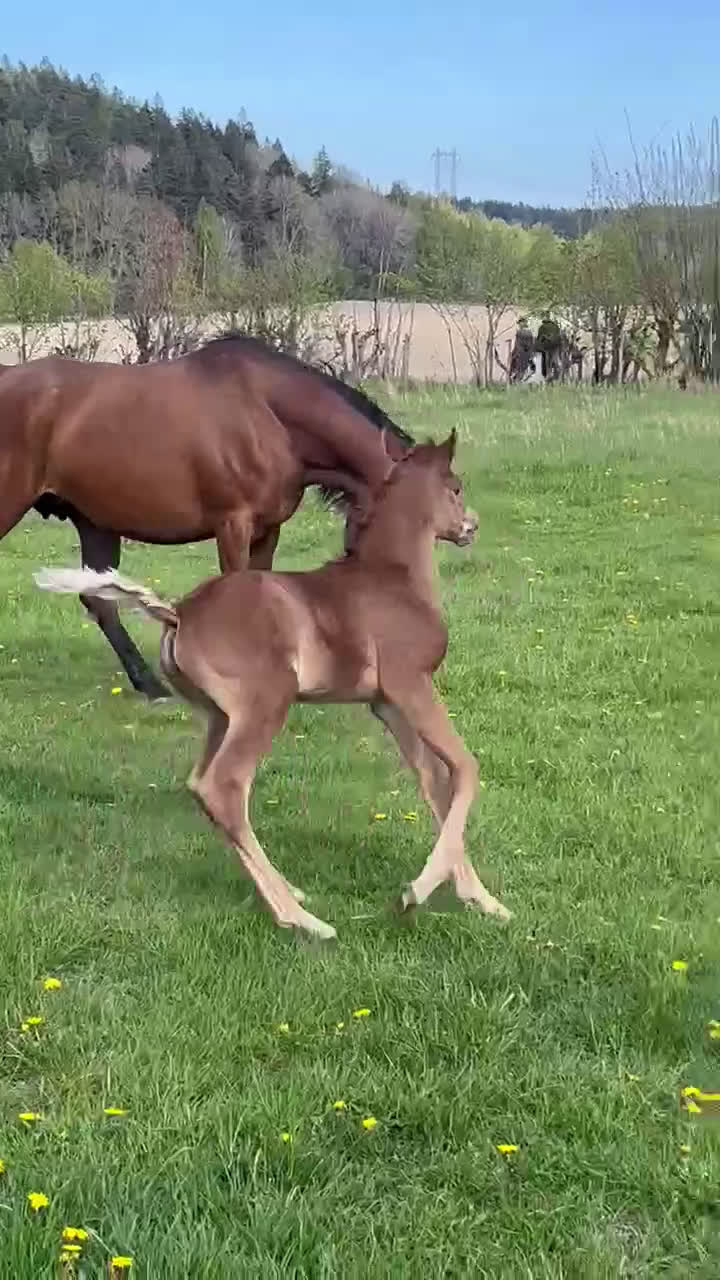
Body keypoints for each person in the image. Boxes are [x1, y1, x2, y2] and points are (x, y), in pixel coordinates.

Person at [535, 312, 562, 382]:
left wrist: (537, 347)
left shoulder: (542, 327)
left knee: (548, 361)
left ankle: (548, 375)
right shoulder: (556, 326)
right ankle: (557, 374)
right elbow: (559, 337)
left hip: (547, 346)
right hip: (556, 346)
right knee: (555, 360)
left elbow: (539, 338)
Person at [509, 316, 536, 383]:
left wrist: (514, 353)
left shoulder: (520, 332)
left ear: (523, 323)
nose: (519, 324)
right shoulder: (529, 332)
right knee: (524, 369)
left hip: (521, 354)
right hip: (526, 354)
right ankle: (519, 380)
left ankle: (516, 380)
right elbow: (531, 344)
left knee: (518, 369)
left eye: (520, 323)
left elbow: (518, 344)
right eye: (519, 323)